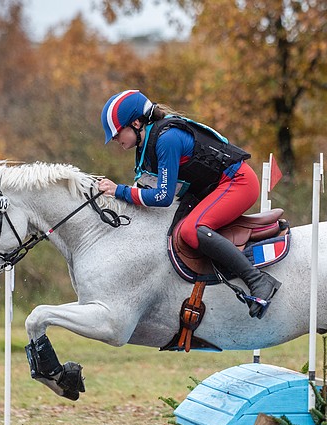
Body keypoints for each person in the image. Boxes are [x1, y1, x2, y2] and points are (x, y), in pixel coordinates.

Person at [97, 90, 281, 319]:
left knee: (190, 230)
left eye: (117, 133)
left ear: (135, 123)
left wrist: (119, 190)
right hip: (213, 187)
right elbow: (151, 189)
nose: (115, 139)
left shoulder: (167, 139)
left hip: (239, 182)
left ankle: (258, 281)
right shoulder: (146, 144)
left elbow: (163, 197)